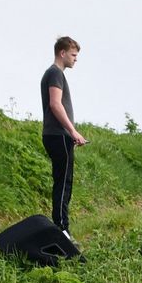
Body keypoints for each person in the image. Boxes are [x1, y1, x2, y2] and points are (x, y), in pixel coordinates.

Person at [40, 36, 86, 237]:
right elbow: (55, 104)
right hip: (58, 135)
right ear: (62, 53)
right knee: (64, 182)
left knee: (63, 181)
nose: (76, 59)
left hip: (59, 136)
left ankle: (61, 226)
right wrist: (72, 131)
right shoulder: (55, 73)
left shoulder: (54, 74)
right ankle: (61, 229)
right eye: (74, 55)